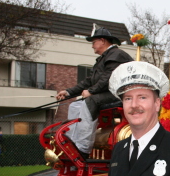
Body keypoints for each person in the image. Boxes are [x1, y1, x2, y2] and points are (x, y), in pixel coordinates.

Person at [56, 26, 133, 155]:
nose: (92, 46)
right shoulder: (105, 58)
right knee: (75, 105)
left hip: (122, 94)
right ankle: (71, 141)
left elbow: (109, 77)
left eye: (93, 42)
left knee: (89, 101)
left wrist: (91, 91)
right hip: (108, 93)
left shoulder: (116, 55)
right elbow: (89, 80)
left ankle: (83, 147)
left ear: (102, 41)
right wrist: (68, 92)